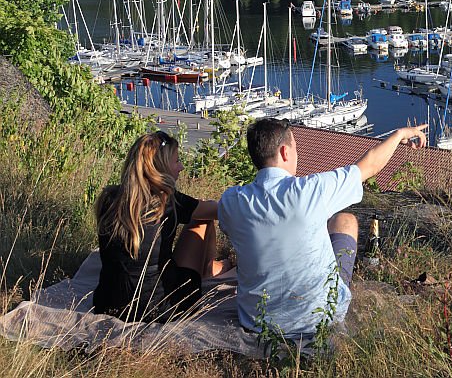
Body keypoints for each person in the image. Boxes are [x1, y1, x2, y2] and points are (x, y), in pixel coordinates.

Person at [218, 118, 427, 339]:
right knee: (345, 220)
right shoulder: (310, 190)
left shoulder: (232, 202)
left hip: (257, 321)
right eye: (296, 149)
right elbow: (371, 165)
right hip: (319, 319)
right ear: (284, 152)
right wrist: (399, 134)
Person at [93, 130, 230, 322]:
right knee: (201, 217)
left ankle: (212, 268)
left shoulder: (108, 199)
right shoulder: (166, 200)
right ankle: (208, 270)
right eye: (177, 161)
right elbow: (217, 210)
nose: (181, 167)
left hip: (108, 305)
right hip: (161, 308)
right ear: (160, 168)